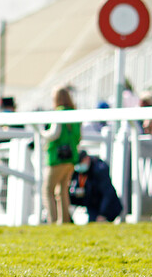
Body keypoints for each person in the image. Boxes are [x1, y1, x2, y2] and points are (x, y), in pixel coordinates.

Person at [40, 87, 81, 224]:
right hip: (71, 157)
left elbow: (54, 134)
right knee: (63, 190)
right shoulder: (75, 114)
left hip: (57, 157)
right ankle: (64, 221)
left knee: (47, 190)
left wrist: (41, 134)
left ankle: (52, 220)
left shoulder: (59, 113)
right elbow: (79, 137)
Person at [69, 151, 122, 223]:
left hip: (106, 206)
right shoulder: (78, 172)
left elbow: (107, 193)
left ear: (87, 159)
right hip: (91, 205)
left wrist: (102, 214)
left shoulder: (99, 168)